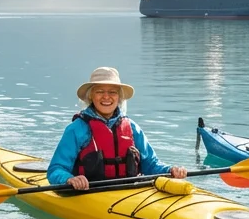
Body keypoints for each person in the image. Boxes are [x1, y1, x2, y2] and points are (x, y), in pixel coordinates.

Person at [47, 67, 188, 190]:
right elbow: (55, 170)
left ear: (119, 96)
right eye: (100, 91)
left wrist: (170, 170)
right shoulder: (77, 129)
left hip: (130, 193)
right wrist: (69, 179)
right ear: (91, 96)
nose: (106, 97)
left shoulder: (132, 128)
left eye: (112, 92)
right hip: (89, 193)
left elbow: (151, 165)